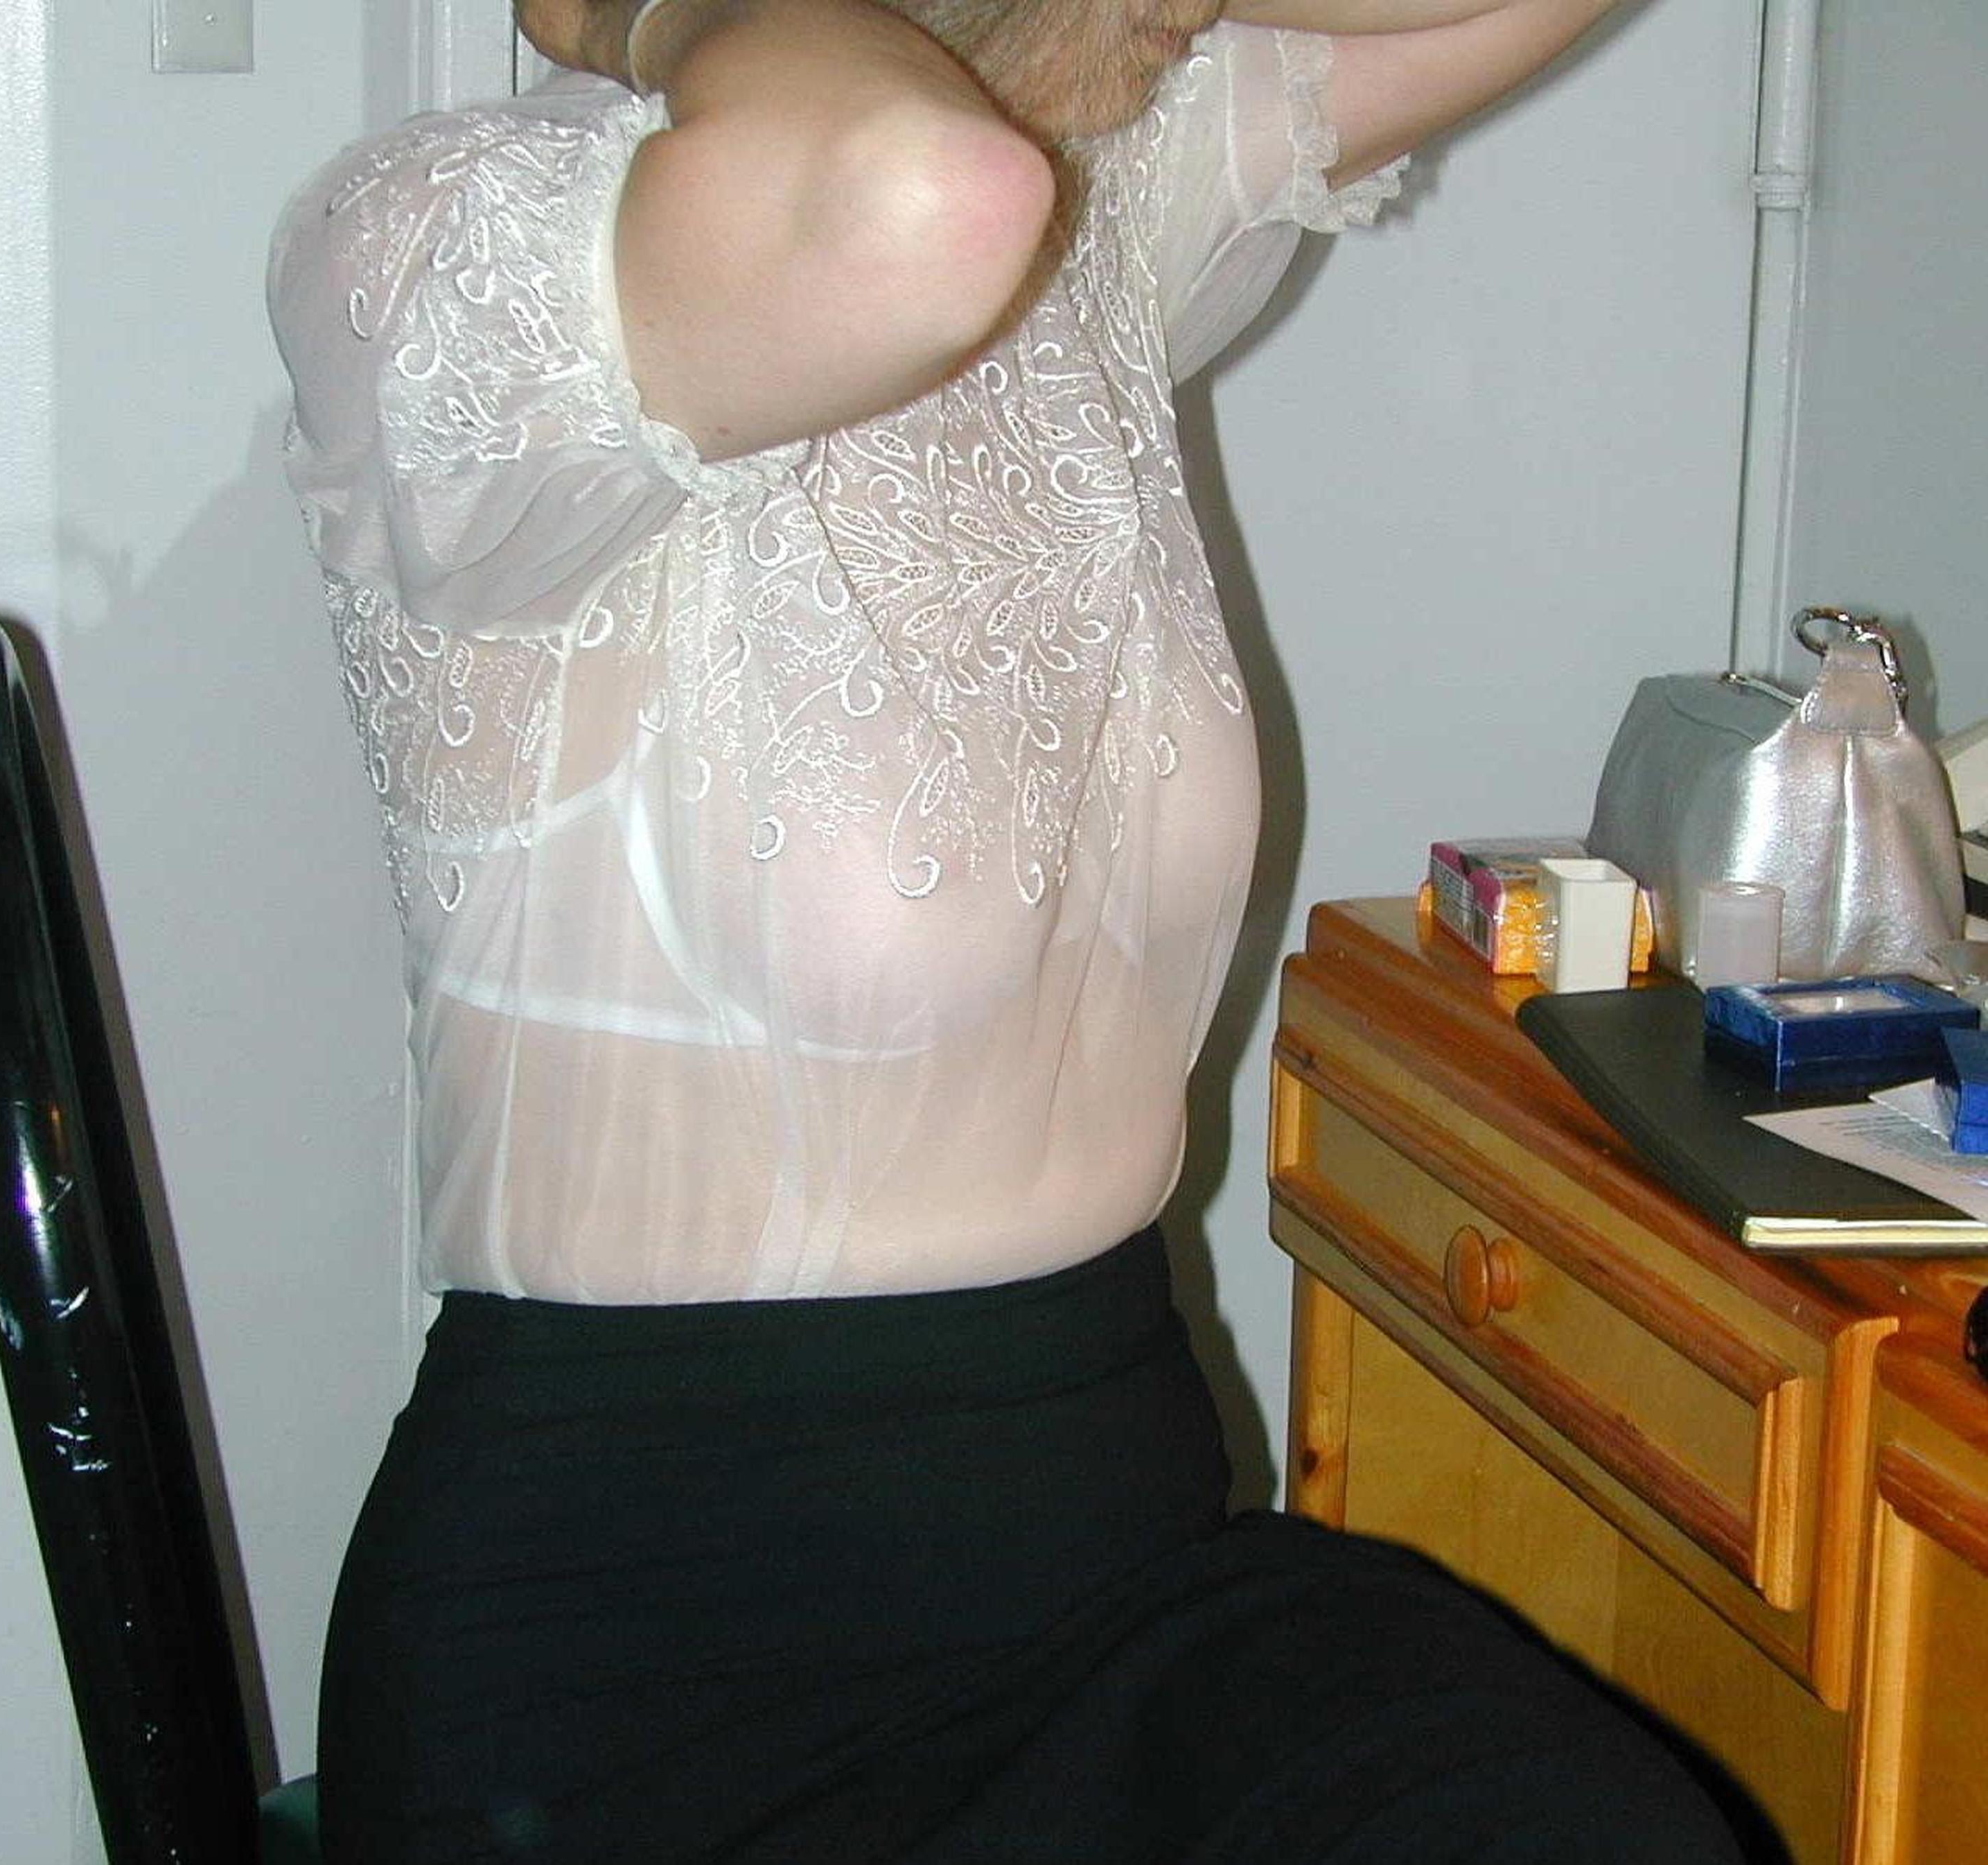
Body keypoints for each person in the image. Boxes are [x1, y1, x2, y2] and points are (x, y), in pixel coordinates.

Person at [268, 1, 1753, 1858]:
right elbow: (911, 194)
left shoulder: (1086, 216)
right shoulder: (456, 240)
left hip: (1122, 1594)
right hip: (646, 1687)